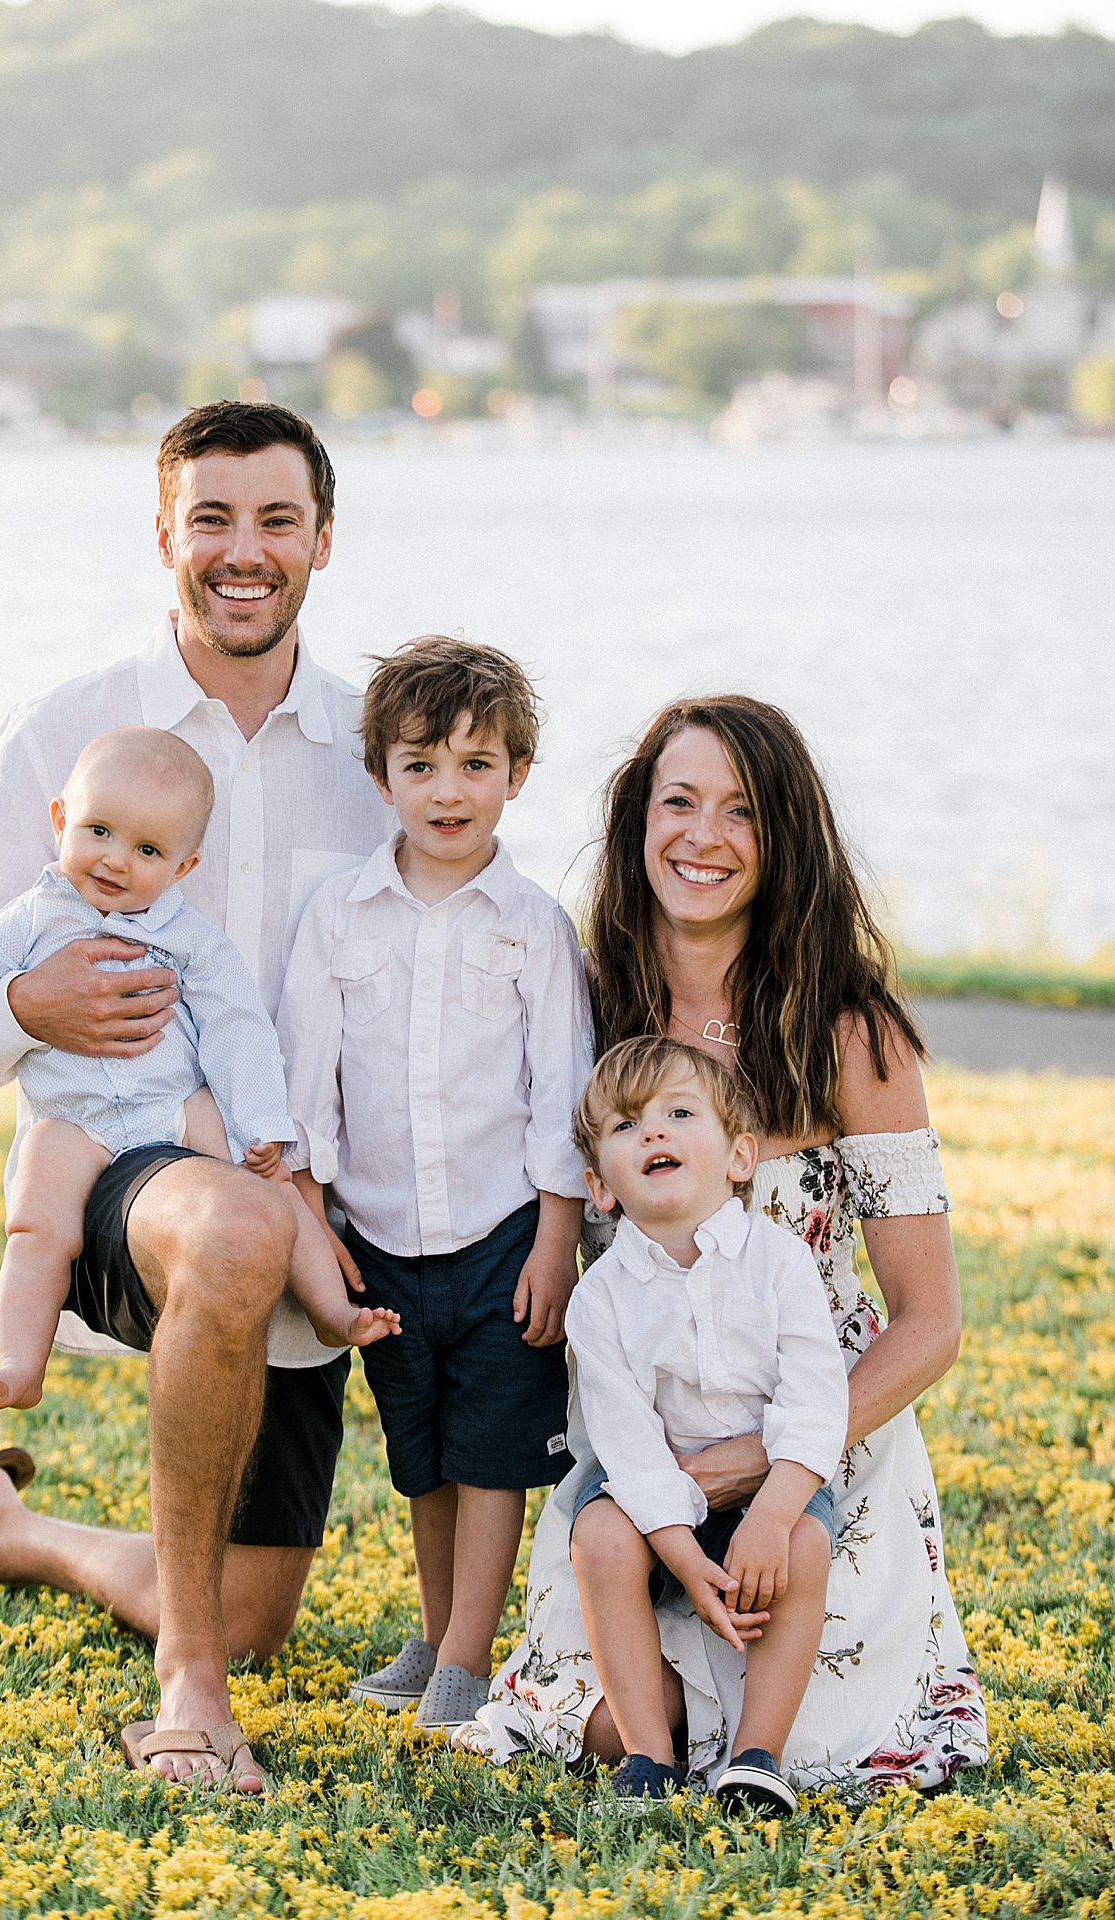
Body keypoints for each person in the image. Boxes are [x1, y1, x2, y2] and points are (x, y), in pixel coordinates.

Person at [0, 400, 392, 1790]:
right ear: (165, 536)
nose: (243, 550)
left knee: (256, 1604)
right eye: (211, 518)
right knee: (230, 1228)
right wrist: (22, 1014)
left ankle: (0, 1527)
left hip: (298, 1170)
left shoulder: (380, 749)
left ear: (323, 542)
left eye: (276, 520)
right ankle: (188, 1700)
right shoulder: (69, 730)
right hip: (124, 1168)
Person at [459, 694, 989, 1795]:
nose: (701, 837)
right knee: (602, 1729)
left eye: (739, 813)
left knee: (807, 1742)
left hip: (818, 1434)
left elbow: (930, 1322)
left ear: (782, 837)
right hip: (638, 1431)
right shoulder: (581, 998)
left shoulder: (849, 1031)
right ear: (635, 819)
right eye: (678, 802)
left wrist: (772, 1461)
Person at [278, 635, 595, 1731]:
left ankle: (468, 1661)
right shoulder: (338, 916)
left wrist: (557, 1241)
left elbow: (562, 1093)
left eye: (475, 764)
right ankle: (435, 1632)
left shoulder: (533, 929)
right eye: (419, 765)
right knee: (419, 1457)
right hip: (375, 1234)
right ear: (379, 779)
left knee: (490, 1452)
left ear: (516, 775)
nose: (446, 790)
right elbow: (303, 1082)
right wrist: (313, 1222)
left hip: (504, 1234)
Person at [0, 726, 399, 1413]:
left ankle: (331, 1315)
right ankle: (21, 1364)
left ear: (184, 866)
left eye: (146, 850)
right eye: (99, 831)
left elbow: (238, 1028)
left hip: (174, 1103)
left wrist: (261, 1127)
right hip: (72, 1120)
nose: (115, 861)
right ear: (60, 821)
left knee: (273, 1181)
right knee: (34, 1220)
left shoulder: (188, 936)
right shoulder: (32, 917)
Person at [566, 1036, 847, 1812]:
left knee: (805, 1543)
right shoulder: (600, 1299)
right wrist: (684, 1558)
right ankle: (650, 1757)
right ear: (601, 1187)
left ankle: (758, 1755)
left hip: (771, 1487)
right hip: (652, 1489)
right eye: (626, 1126)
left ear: (740, 1156)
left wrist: (772, 1513)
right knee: (599, 1536)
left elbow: (816, 1403)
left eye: (679, 1114)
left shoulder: (782, 1262)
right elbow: (625, 1443)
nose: (652, 1133)